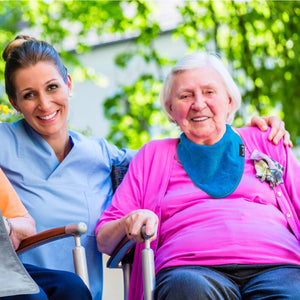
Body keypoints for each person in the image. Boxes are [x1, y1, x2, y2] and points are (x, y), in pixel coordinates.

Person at [0, 36, 289, 300]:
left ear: (69, 85)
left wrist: (251, 134)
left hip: (74, 290)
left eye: (52, 87)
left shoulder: (103, 155)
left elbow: (191, 150)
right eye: (29, 95)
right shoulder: (4, 141)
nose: (44, 103)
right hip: (17, 281)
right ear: (14, 103)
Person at [96, 51, 300, 300]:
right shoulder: (152, 155)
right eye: (185, 96)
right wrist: (130, 221)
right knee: (187, 291)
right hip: (189, 271)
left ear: (229, 100)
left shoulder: (268, 141)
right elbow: (104, 239)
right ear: (171, 110)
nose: (198, 103)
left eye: (209, 92)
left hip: (280, 266)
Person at [0, 167, 92, 300]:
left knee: (71, 286)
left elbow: (28, 228)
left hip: (4, 266)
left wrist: (6, 226)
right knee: (31, 297)